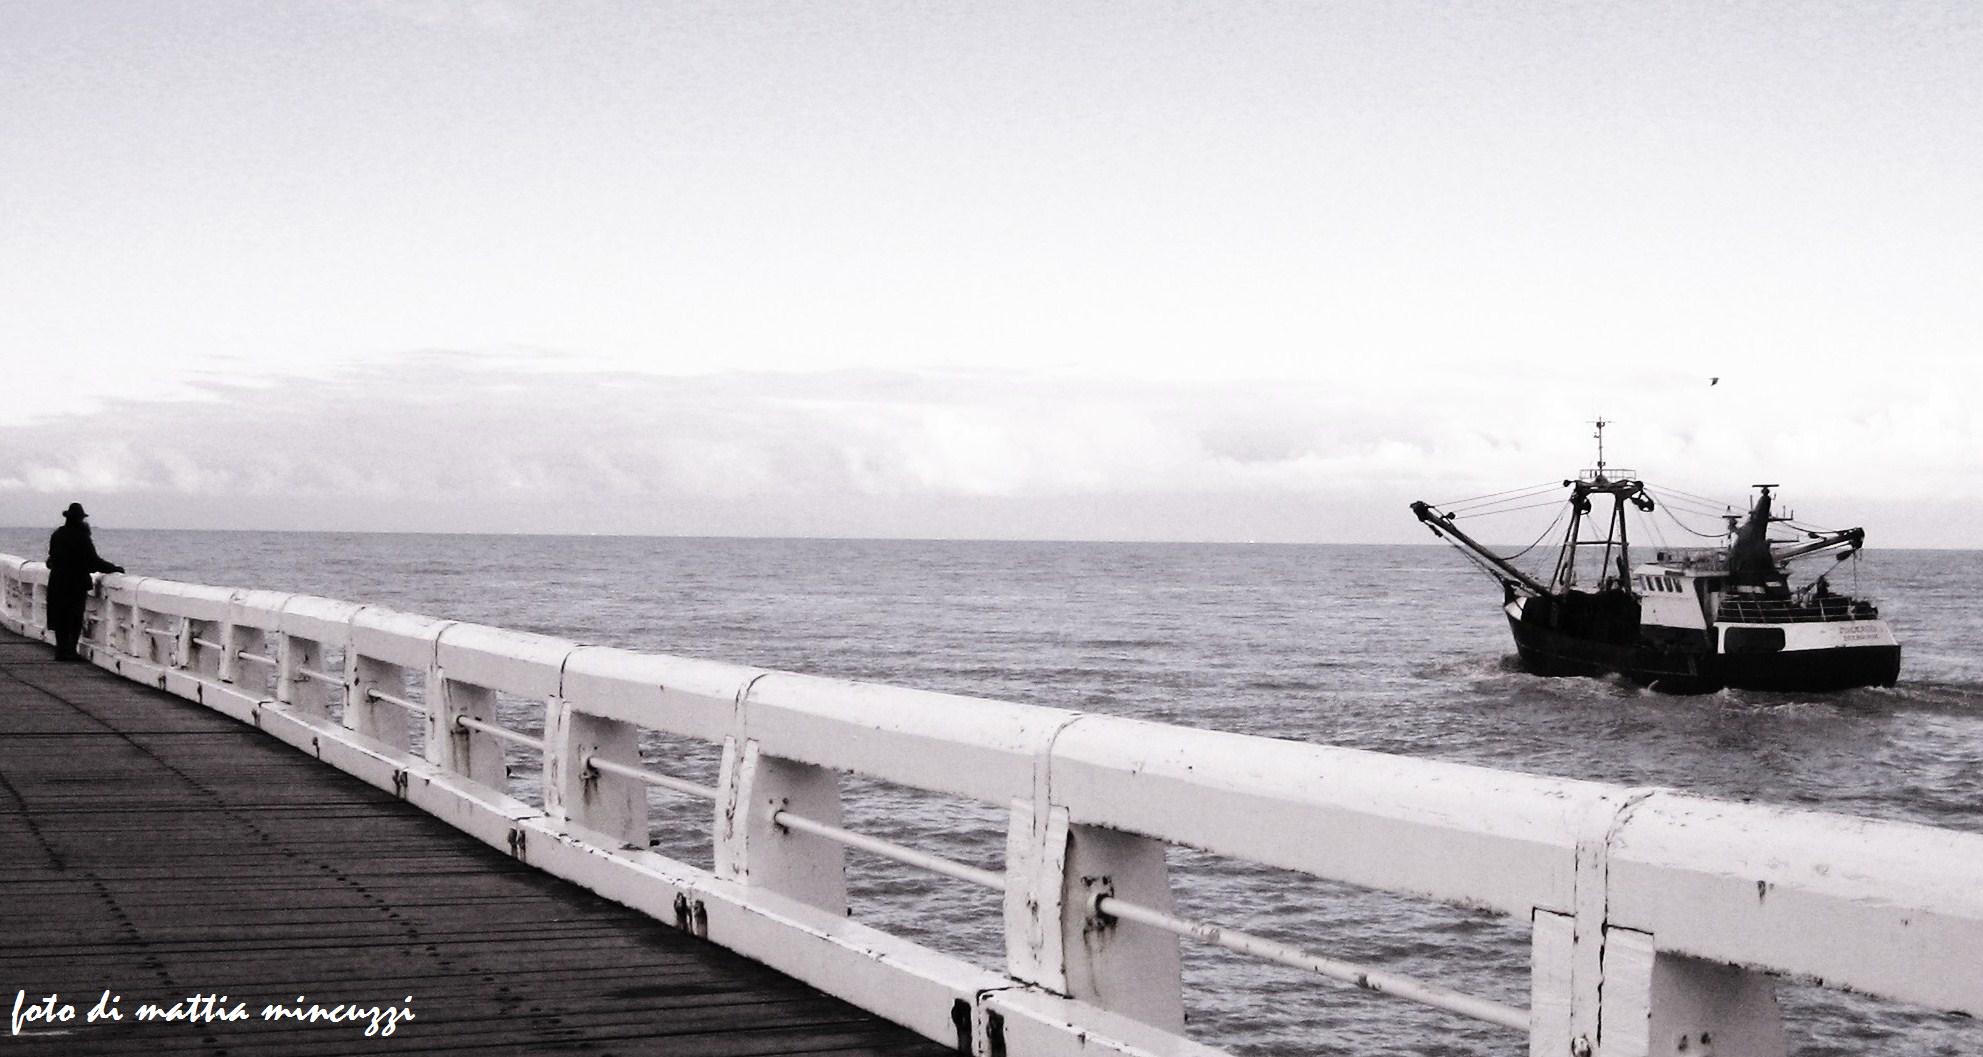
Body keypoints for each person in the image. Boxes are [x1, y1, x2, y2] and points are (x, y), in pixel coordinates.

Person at [45, 503, 123, 661]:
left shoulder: (57, 535)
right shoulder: (82, 537)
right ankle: (71, 651)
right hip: (75, 583)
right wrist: (114, 568)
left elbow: (51, 559)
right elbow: (94, 561)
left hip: (57, 581)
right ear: (80, 519)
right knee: (74, 617)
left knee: (60, 617)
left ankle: (61, 651)